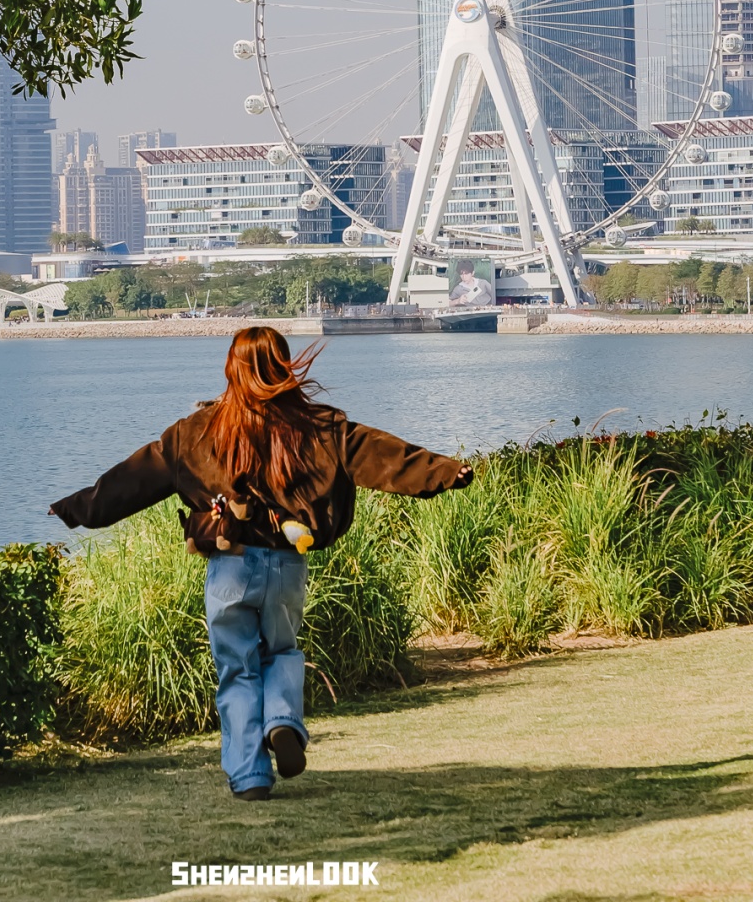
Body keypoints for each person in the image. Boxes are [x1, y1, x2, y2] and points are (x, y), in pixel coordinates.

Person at [50, 325, 473, 800]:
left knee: (237, 667)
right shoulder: (321, 428)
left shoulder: (195, 432)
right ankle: (282, 722)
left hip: (230, 565)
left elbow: (135, 479)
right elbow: (380, 455)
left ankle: (250, 775)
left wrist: (75, 507)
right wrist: (444, 471)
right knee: (283, 652)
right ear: (283, 365)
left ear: (232, 369)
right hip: (287, 564)